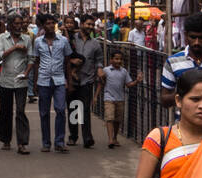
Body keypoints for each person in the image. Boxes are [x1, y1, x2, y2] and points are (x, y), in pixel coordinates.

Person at [32, 14, 72, 153]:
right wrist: (35, 82)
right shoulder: (38, 42)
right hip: (43, 80)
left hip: (60, 79)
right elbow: (36, 62)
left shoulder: (63, 41)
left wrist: (69, 81)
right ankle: (46, 142)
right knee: (44, 113)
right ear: (43, 26)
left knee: (60, 110)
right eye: (47, 23)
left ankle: (59, 141)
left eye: (52, 23)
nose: (50, 26)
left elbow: (67, 62)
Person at [0, 15, 33, 154]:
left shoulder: (27, 39)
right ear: (10, 25)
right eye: (16, 24)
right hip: (6, 80)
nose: (19, 26)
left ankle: (22, 143)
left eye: (20, 24)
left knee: (20, 111)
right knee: (5, 111)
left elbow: (31, 58)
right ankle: (6, 140)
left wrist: (27, 72)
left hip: (21, 80)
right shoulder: (2, 38)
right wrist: (14, 48)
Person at [68, 16, 105, 149]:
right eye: (88, 24)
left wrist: (100, 68)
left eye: (92, 25)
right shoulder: (71, 39)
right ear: (82, 24)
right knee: (73, 107)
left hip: (87, 79)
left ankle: (87, 137)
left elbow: (99, 59)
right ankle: (73, 136)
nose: (90, 27)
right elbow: (65, 55)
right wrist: (71, 62)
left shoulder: (95, 43)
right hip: (72, 79)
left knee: (84, 109)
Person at [102, 50, 142, 148]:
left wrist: (137, 81)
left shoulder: (124, 71)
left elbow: (128, 84)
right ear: (111, 60)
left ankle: (115, 137)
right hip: (108, 97)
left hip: (120, 98)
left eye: (120, 59)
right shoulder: (106, 70)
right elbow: (101, 82)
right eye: (116, 59)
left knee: (117, 120)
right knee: (109, 118)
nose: (118, 61)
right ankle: (110, 139)